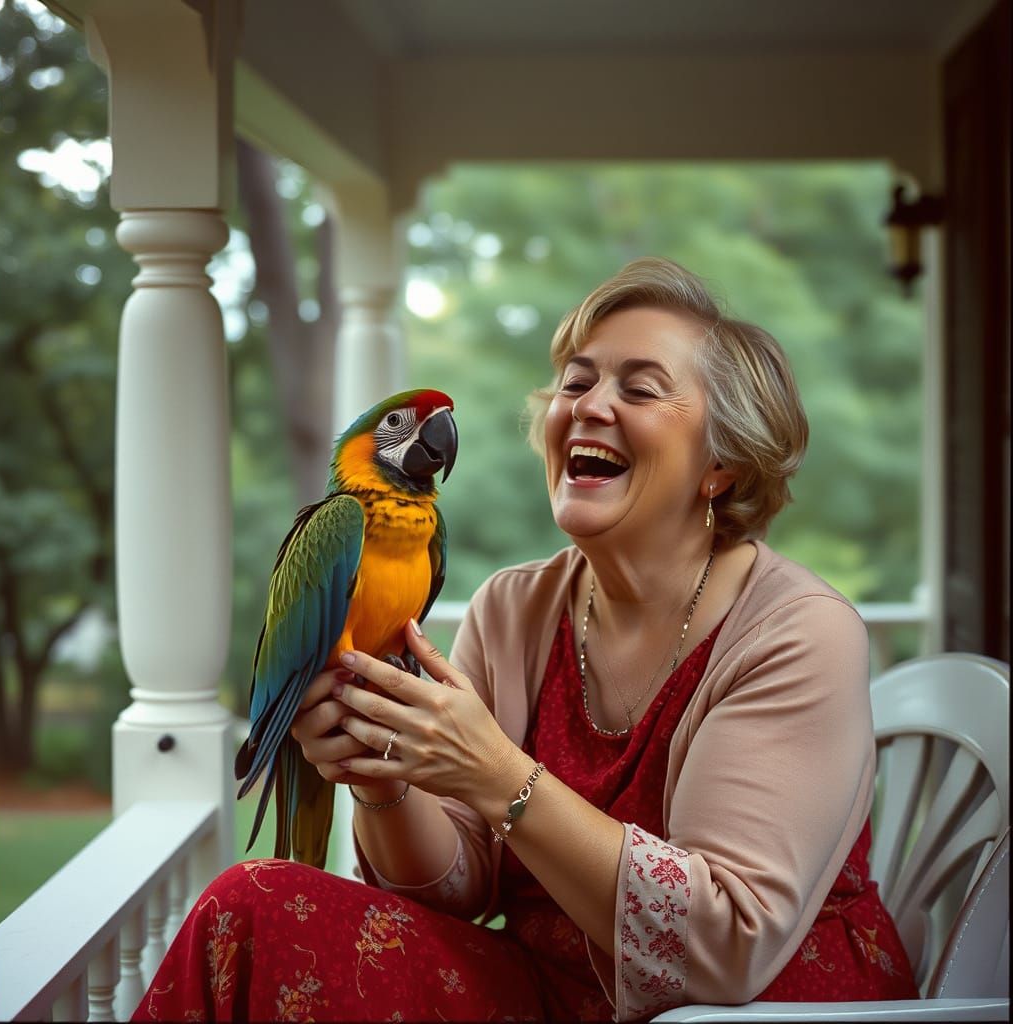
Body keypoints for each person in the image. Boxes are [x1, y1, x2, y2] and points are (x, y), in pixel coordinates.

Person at [134, 257, 918, 1022]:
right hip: (547, 990)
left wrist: (497, 774)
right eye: (576, 383)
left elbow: (723, 948)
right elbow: (457, 886)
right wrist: (382, 772)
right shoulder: (514, 606)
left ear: (721, 465)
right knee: (257, 906)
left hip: (755, 1013)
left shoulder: (797, 631)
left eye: (638, 389)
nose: (587, 406)